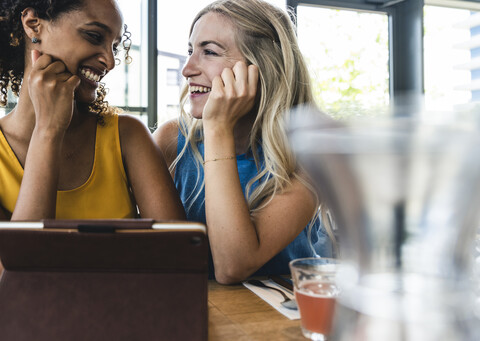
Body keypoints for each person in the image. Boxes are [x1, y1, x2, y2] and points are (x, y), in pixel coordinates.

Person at [154, 0, 335, 284]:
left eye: (209, 52)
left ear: (261, 67)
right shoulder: (169, 141)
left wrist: (217, 128)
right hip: (199, 313)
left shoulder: (310, 154)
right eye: (190, 51)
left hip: (277, 320)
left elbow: (233, 265)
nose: (187, 69)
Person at [0, 0, 185, 221]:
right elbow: (23, 255)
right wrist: (48, 131)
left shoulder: (127, 135)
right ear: (33, 24)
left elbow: (178, 252)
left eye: (114, 47)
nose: (110, 61)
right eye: (94, 36)